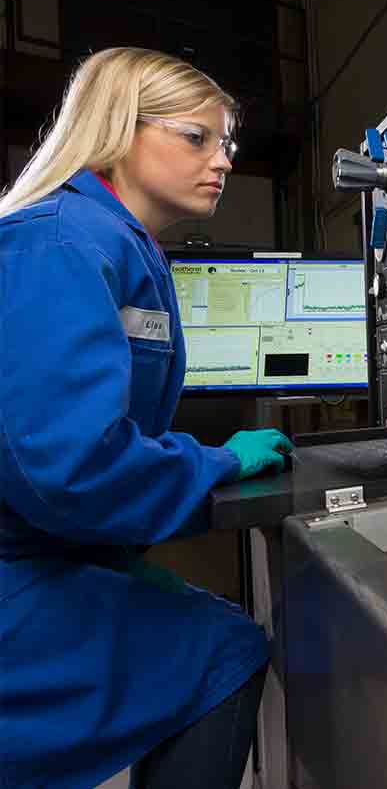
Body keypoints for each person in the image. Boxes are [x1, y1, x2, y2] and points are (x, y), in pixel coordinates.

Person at [0, 47, 294, 789]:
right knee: (223, 652)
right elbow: (71, 463)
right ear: (118, 129)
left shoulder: (116, 243)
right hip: (17, 569)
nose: (222, 161)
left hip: (50, 548)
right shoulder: (60, 243)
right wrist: (219, 462)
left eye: (226, 143)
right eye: (196, 138)